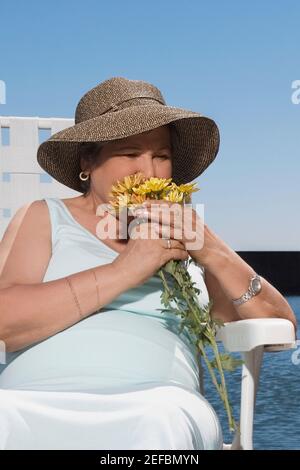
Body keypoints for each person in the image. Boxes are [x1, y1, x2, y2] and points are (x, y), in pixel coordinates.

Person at [0, 77, 296, 450]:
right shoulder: (43, 216)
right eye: (129, 153)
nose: (149, 171)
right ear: (87, 162)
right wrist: (125, 270)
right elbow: (4, 323)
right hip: (29, 401)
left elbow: (278, 326)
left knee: (158, 421)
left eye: (161, 156)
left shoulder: (190, 239)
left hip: (156, 400)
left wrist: (211, 249)